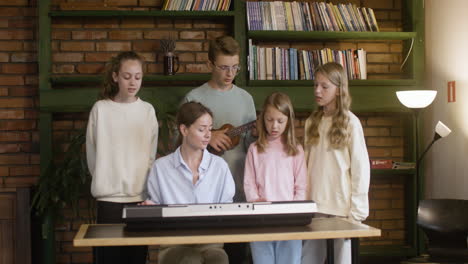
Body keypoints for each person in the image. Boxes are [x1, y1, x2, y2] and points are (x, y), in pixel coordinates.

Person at [182, 35, 257, 263]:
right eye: (224, 67)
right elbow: (180, 147)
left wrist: (257, 137)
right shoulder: (194, 98)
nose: (230, 74)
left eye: (235, 67)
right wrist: (207, 137)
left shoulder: (246, 99)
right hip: (203, 195)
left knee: (236, 256)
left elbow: (252, 148)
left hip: (238, 191)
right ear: (209, 64)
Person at [85, 51, 158, 264]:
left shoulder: (147, 111)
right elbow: (92, 153)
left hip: (138, 199)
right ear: (115, 77)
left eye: (138, 77)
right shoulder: (100, 109)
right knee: (107, 259)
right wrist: (104, 179)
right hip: (108, 199)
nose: (133, 82)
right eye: (127, 77)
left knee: (135, 259)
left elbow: (151, 156)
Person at [142, 101, 235, 264]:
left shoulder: (220, 167)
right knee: (189, 259)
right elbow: (154, 207)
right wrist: (149, 208)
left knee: (219, 259)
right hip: (173, 245)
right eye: (201, 129)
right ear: (184, 130)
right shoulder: (161, 167)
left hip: (211, 244)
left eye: (210, 128)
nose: (208, 135)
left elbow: (227, 209)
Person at [301, 62, 370, 264]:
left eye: (324, 86)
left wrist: (356, 213)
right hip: (315, 207)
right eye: (315, 85)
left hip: (342, 210)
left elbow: (360, 168)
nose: (317, 91)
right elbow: (306, 166)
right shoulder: (311, 122)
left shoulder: (351, 122)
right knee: (308, 260)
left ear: (339, 90)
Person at [244, 92, 307, 264]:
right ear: (262, 119)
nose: (274, 126)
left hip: (290, 222)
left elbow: (300, 186)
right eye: (270, 120)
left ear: (289, 121)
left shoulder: (296, 150)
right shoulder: (254, 149)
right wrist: (255, 200)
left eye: (280, 121)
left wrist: (294, 212)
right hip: (260, 221)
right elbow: (249, 183)